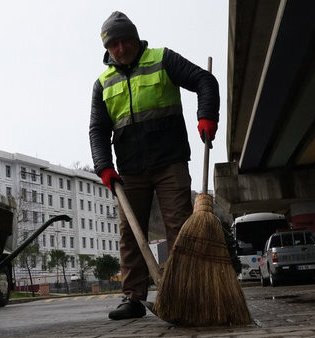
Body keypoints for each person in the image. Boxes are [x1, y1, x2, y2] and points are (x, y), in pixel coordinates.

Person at [89, 11, 219, 320]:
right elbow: (97, 129)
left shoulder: (162, 59)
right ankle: (133, 298)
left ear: (135, 39)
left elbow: (204, 79)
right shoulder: (103, 83)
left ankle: (185, 292)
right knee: (130, 234)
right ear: (107, 49)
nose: (120, 49)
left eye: (125, 41)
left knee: (180, 228)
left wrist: (207, 116)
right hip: (129, 171)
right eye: (113, 45)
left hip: (169, 162)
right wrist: (103, 167)